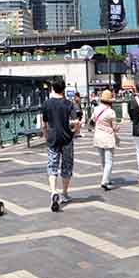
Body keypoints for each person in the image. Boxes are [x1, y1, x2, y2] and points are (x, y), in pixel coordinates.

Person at [41, 80, 80, 211]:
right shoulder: (69, 104)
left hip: (53, 138)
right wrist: (75, 132)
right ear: (63, 89)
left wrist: (46, 135)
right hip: (67, 139)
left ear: (52, 88)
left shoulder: (47, 103)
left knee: (52, 165)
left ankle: (53, 191)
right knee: (67, 166)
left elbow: (44, 124)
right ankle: (64, 193)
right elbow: (76, 122)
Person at [91, 89, 120, 190]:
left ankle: (107, 178)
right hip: (108, 138)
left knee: (103, 160)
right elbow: (115, 127)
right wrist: (119, 126)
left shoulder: (96, 109)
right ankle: (104, 180)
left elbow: (93, 120)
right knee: (109, 161)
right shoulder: (111, 112)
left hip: (98, 137)